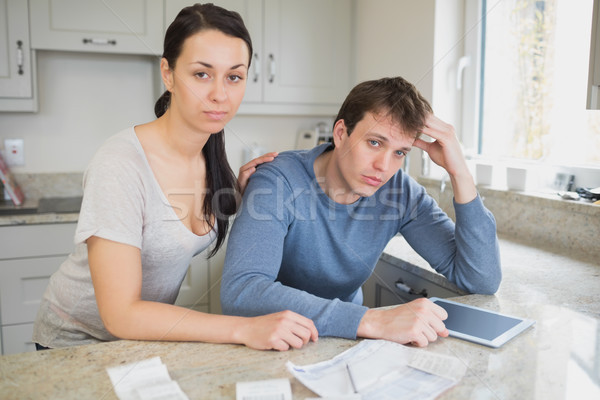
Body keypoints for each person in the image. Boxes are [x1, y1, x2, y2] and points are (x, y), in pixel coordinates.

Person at [33, 3, 317, 352]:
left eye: (234, 76)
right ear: (167, 73)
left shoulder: (209, 152)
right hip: (76, 342)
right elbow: (120, 315)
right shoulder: (120, 164)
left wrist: (237, 195)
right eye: (201, 74)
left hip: (138, 341)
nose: (219, 94)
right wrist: (244, 328)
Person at [221, 76, 502, 347]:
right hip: (274, 341)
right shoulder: (278, 181)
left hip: (345, 340)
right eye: (375, 142)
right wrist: (372, 320)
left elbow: (481, 278)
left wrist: (459, 172)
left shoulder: (400, 192)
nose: (384, 166)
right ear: (341, 133)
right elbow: (242, 290)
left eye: (400, 153)